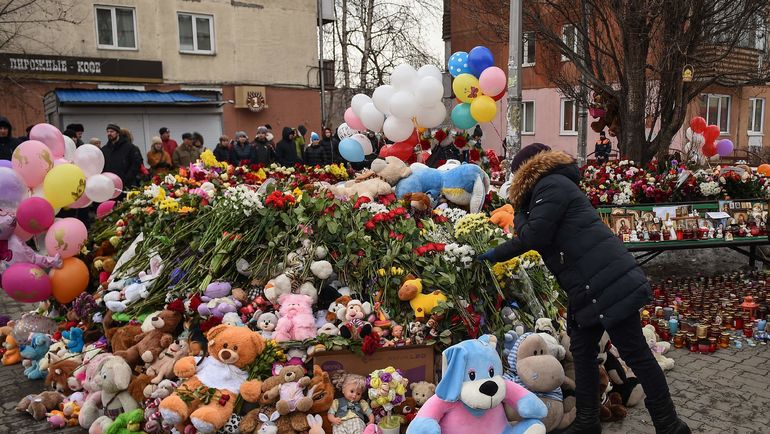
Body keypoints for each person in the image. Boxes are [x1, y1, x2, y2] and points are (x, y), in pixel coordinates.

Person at [478, 143, 690, 434]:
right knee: (582, 350)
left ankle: (669, 425)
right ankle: (588, 421)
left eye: (515, 176)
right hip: (587, 285)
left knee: (636, 353)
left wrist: (503, 240)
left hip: (607, 281)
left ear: (525, 172)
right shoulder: (550, 186)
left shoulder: (550, 185)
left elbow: (534, 235)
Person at [101, 124, 143, 189]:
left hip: (127, 184)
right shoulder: (104, 149)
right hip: (110, 184)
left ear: (118, 133)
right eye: (108, 132)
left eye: (112, 131)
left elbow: (136, 164)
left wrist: (126, 178)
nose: (109, 133)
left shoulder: (130, 147)